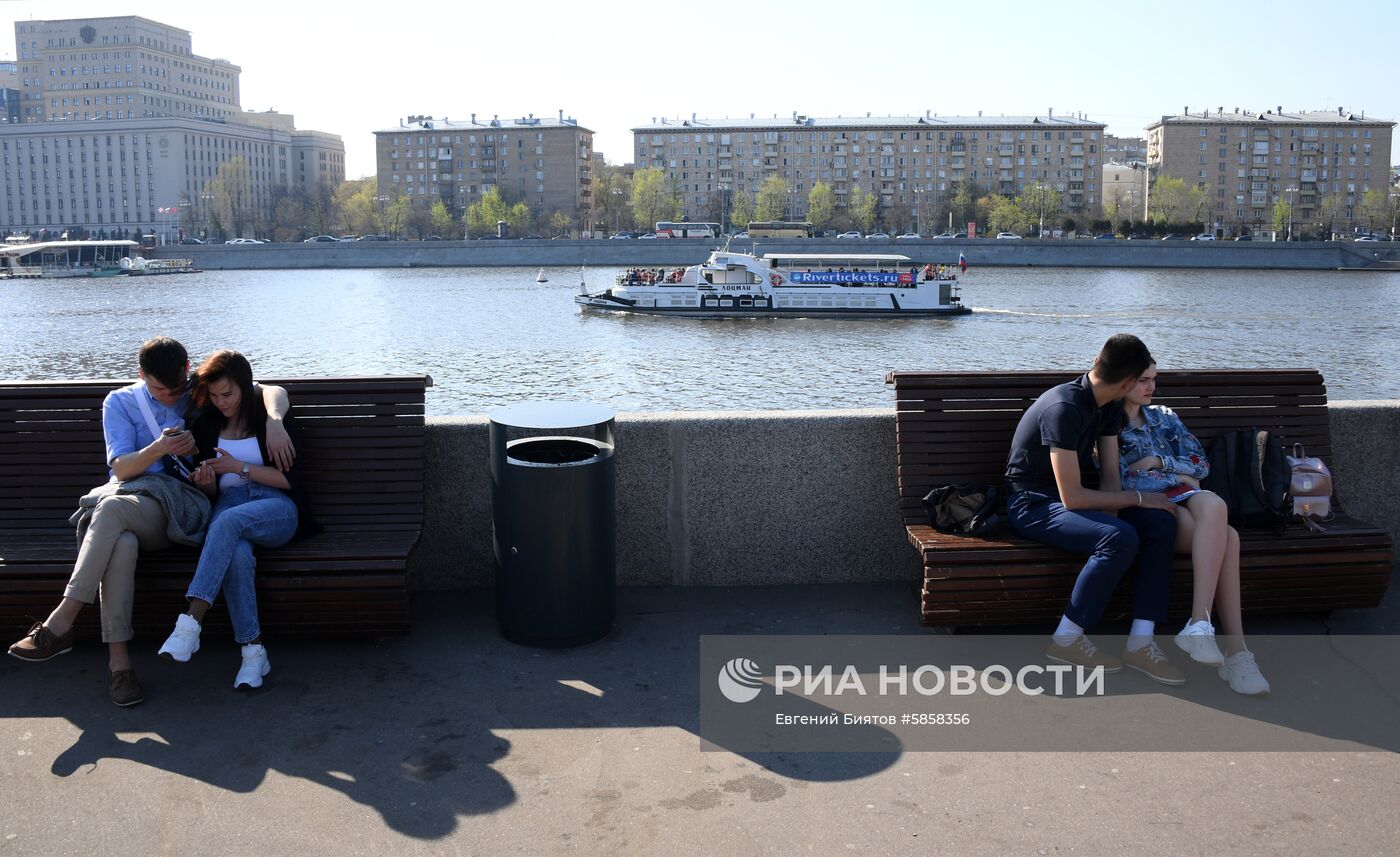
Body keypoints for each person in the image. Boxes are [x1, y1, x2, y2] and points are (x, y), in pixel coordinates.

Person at [7, 337, 295, 707]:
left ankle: (63, 622)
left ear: (187, 371)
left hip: (180, 509)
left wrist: (273, 421)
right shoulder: (121, 403)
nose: (172, 396)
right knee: (120, 540)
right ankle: (120, 667)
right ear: (141, 376)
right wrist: (159, 447)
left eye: (177, 387)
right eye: (161, 389)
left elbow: (267, 389)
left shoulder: (201, 393)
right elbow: (122, 469)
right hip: (135, 502)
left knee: (110, 512)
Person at [1005, 334, 1186, 684]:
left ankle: (1141, 642)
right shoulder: (1064, 408)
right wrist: (1134, 503)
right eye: (1143, 380)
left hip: (1070, 500)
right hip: (1032, 502)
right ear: (1129, 382)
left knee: (1158, 525)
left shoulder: (1110, 404)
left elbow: (1108, 478)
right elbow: (1072, 496)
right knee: (1120, 539)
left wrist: (1124, 515)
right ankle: (1066, 639)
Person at [157, 350, 317, 690]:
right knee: (238, 553)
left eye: (227, 394)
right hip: (228, 506)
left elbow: (291, 481)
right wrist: (208, 480)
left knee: (227, 524)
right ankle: (253, 650)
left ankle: (190, 623)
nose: (221, 402)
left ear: (244, 386)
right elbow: (214, 491)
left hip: (276, 507)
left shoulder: (269, 420)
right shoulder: (207, 423)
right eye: (214, 396)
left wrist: (241, 466)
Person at [1119, 363, 1270, 695]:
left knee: (1214, 503)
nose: (1151, 387)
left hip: (1184, 497)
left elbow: (1201, 465)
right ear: (1122, 379)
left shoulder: (1164, 416)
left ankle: (1200, 624)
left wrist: (1159, 463)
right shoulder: (1108, 425)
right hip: (1148, 507)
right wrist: (1180, 475)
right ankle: (1236, 651)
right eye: (1142, 380)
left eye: (1154, 380)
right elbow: (1123, 477)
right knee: (1228, 537)